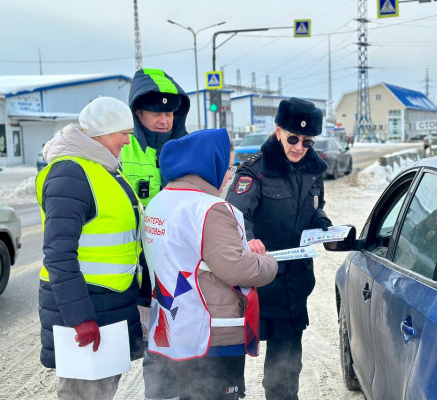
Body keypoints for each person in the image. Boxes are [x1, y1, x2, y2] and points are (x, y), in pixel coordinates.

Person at [142, 128, 278, 400]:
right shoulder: (210, 208)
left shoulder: (160, 201)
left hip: (171, 328)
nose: (229, 175)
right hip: (212, 334)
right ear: (210, 165)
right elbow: (236, 269)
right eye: (227, 167)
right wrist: (267, 262)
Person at [36, 97, 143, 399]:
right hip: (87, 306)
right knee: (83, 394)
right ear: (101, 132)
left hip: (108, 304)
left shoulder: (104, 168)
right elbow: (58, 253)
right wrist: (80, 318)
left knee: (103, 389)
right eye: (122, 131)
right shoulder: (70, 174)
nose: (127, 138)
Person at [226, 97, 331, 400]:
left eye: (307, 141)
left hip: (292, 287)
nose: (299, 147)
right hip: (256, 286)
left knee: (284, 375)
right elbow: (233, 215)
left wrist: (325, 225)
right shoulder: (254, 171)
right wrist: (248, 239)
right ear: (278, 130)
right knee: (229, 371)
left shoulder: (313, 170)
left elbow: (314, 209)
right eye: (293, 138)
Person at [121, 68, 190, 207]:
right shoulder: (121, 148)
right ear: (138, 113)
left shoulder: (189, 148)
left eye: (169, 114)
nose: (164, 121)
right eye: (156, 114)